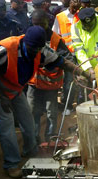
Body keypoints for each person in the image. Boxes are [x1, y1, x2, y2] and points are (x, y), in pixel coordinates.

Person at [0, 26, 91, 178]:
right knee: (7, 124)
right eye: (31, 48)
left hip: (14, 87)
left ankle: (30, 151)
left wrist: (82, 73)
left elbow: (62, 62)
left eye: (38, 49)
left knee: (28, 119)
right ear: (25, 42)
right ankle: (11, 164)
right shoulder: (6, 49)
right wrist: (1, 96)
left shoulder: (41, 50)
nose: (34, 52)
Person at [27, 10, 74, 143]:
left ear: (48, 22)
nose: (38, 27)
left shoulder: (56, 39)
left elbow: (67, 58)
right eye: (35, 24)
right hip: (34, 82)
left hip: (51, 83)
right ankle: (34, 139)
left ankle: (50, 139)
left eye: (41, 24)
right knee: (33, 112)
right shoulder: (30, 34)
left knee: (51, 113)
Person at [52, 0, 81, 115]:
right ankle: (67, 106)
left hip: (79, 52)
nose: (75, 11)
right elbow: (55, 35)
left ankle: (80, 104)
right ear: (70, 5)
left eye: (77, 8)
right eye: (74, 8)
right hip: (67, 54)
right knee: (68, 81)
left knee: (80, 80)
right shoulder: (60, 17)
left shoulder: (80, 15)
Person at [72, 7, 98, 74]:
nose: (88, 27)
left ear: (95, 19)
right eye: (85, 25)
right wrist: (89, 68)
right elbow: (79, 50)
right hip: (86, 69)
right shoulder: (75, 28)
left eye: (90, 25)